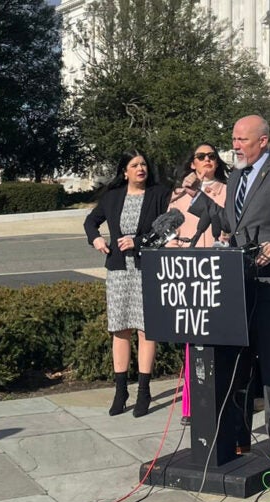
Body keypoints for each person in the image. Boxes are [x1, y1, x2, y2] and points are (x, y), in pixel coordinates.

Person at [184, 115, 270, 468]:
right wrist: (203, 196)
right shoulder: (237, 176)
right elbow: (230, 225)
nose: (236, 145)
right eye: (234, 138)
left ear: (263, 141)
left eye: (242, 139)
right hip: (240, 282)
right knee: (238, 361)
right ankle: (239, 436)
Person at [85, 150, 171, 418]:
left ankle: (144, 390)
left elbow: (169, 228)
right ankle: (120, 390)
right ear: (124, 171)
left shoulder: (159, 194)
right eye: (134, 165)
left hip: (148, 269)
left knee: (147, 330)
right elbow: (91, 221)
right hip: (119, 270)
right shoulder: (112, 197)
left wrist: (140, 241)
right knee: (120, 329)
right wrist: (96, 239)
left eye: (143, 164)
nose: (140, 168)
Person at [168, 143, 229, 426]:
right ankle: (191, 405)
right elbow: (170, 230)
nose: (207, 161)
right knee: (193, 341)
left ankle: (222, 398)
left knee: (220, 338)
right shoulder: (178, 195)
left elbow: (227, 225)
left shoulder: (227, 190)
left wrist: (200, 193)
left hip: (217, 271)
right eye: (201, 157)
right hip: (189, 272)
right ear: (192, 163)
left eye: (211, 157)